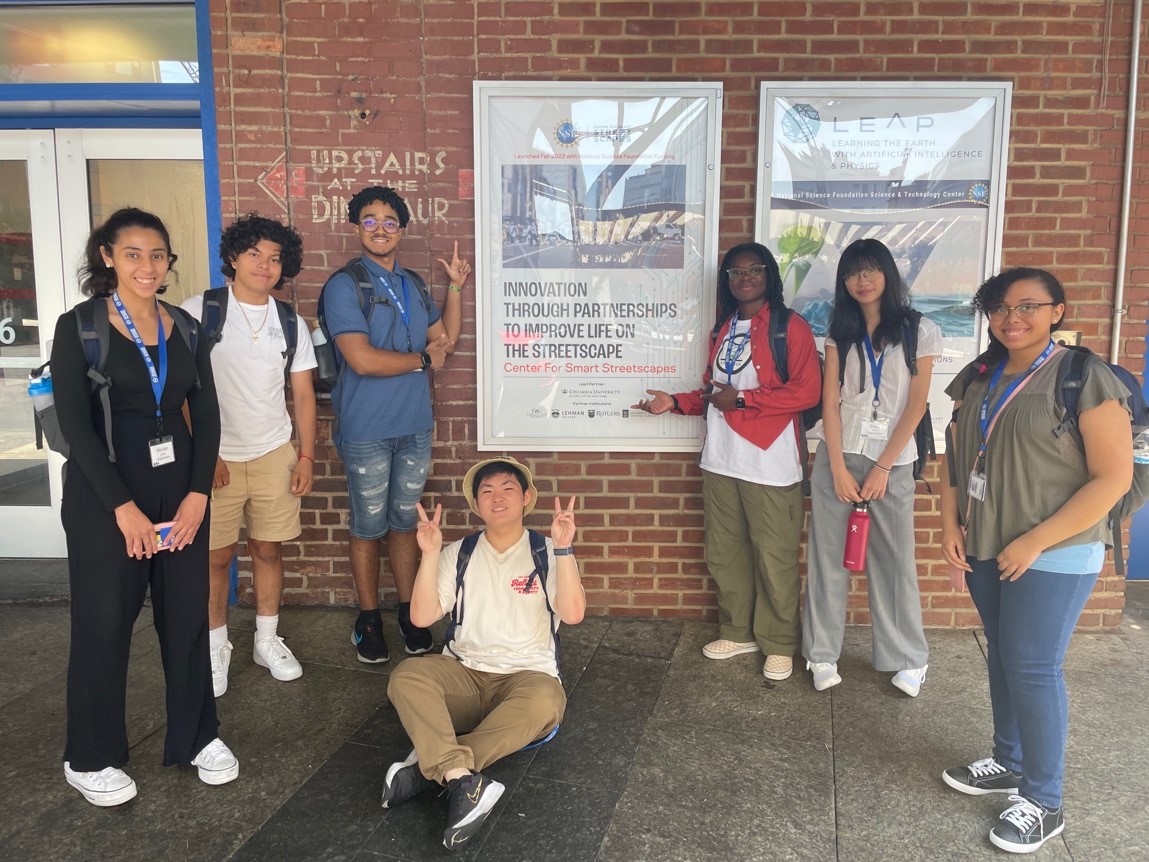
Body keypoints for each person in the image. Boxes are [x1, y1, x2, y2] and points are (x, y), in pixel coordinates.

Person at [939, 268, 1132, 853]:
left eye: (1028, 306)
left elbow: (1113, 478)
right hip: (988, 543)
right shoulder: (978, 375)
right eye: (999, 307)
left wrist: (1036, 540)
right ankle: (1008, 761)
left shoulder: (1083, 377)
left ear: (1058, 311)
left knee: (1032, 666)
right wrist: (949, 526)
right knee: (1005, 655)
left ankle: (1044, 801)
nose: (1010, 318)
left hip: (1057, 551)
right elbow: (954, 458)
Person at [52, 208, 238, 807]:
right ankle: (89, 755)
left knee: (185, 619)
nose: (146, 266)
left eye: (157, 255)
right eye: (132, 253)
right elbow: (76, 429)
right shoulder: (78, 326)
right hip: (105, 497)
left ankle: (197, 735)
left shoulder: (183, 326)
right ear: (107, 256)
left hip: (179, 493)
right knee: (104, 626)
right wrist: (122, 509)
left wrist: (197, 495)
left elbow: (206, 415)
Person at [633, 243, 821, 680]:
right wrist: (674, 403)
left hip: (771, 461)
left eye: (754, 269)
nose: (745, 278)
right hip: (721, 460)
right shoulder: (724, 328)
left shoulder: (790, 328)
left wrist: (744, 398)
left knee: (774, 556)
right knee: (724, 552)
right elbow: (714, 391)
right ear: (727, 282)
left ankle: (778, 641)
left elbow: (806, 393)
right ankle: (738, 631)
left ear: (769, 274)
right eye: (735, 273)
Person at [382, 457, 583, 850]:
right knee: (407, 676)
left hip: (527, 678)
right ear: (476, 503)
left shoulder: (546, 551)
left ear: (526, 497)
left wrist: (565, 549)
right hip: (464, 674)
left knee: (547, 702)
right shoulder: (459, 552)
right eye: (486, 491)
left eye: (507, 488)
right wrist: (428, 553)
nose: (497, 498)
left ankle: (435, 768)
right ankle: (464, 780)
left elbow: (573, 614)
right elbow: (422, 616)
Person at [321, 186, 467, 662]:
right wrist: (424, 358)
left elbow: (444, 340)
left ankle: (408, 612)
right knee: (368, 526)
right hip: (365, 429)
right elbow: (360, 359)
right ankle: (367, 619)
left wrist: (455, 289)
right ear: (356, 226)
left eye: (389, 221)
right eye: (369, 220)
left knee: (405, 523)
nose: (380, 229)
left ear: (401, 229)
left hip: (414, 426)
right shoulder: (345, 285)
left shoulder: (413, 283)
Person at [181, 214, 317, 697]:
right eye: (255, 253)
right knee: (215, 557)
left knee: (267, 548)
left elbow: (302, 394)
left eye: (275, 257)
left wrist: (305, 457)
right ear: (234, 257)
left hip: (273, 452)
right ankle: (217, 647)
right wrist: (203, 451)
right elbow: (179, 388)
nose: (265, 264)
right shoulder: (199, 311)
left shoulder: (289, 321)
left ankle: (266, 638)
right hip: (214, 457)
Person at [801, 238, 939, 696]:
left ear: (887, 274)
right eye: (852, 273)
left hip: (893, 462)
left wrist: (882, 467)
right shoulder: (839, 330)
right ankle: (821, 653)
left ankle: (909, 658)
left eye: (870, 271)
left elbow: (916, 406)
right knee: (826, 557)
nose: (862, 281)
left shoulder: (920, 330)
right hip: (839, 454)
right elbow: (831, 404)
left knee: (894, 559)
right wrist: (836, 467)